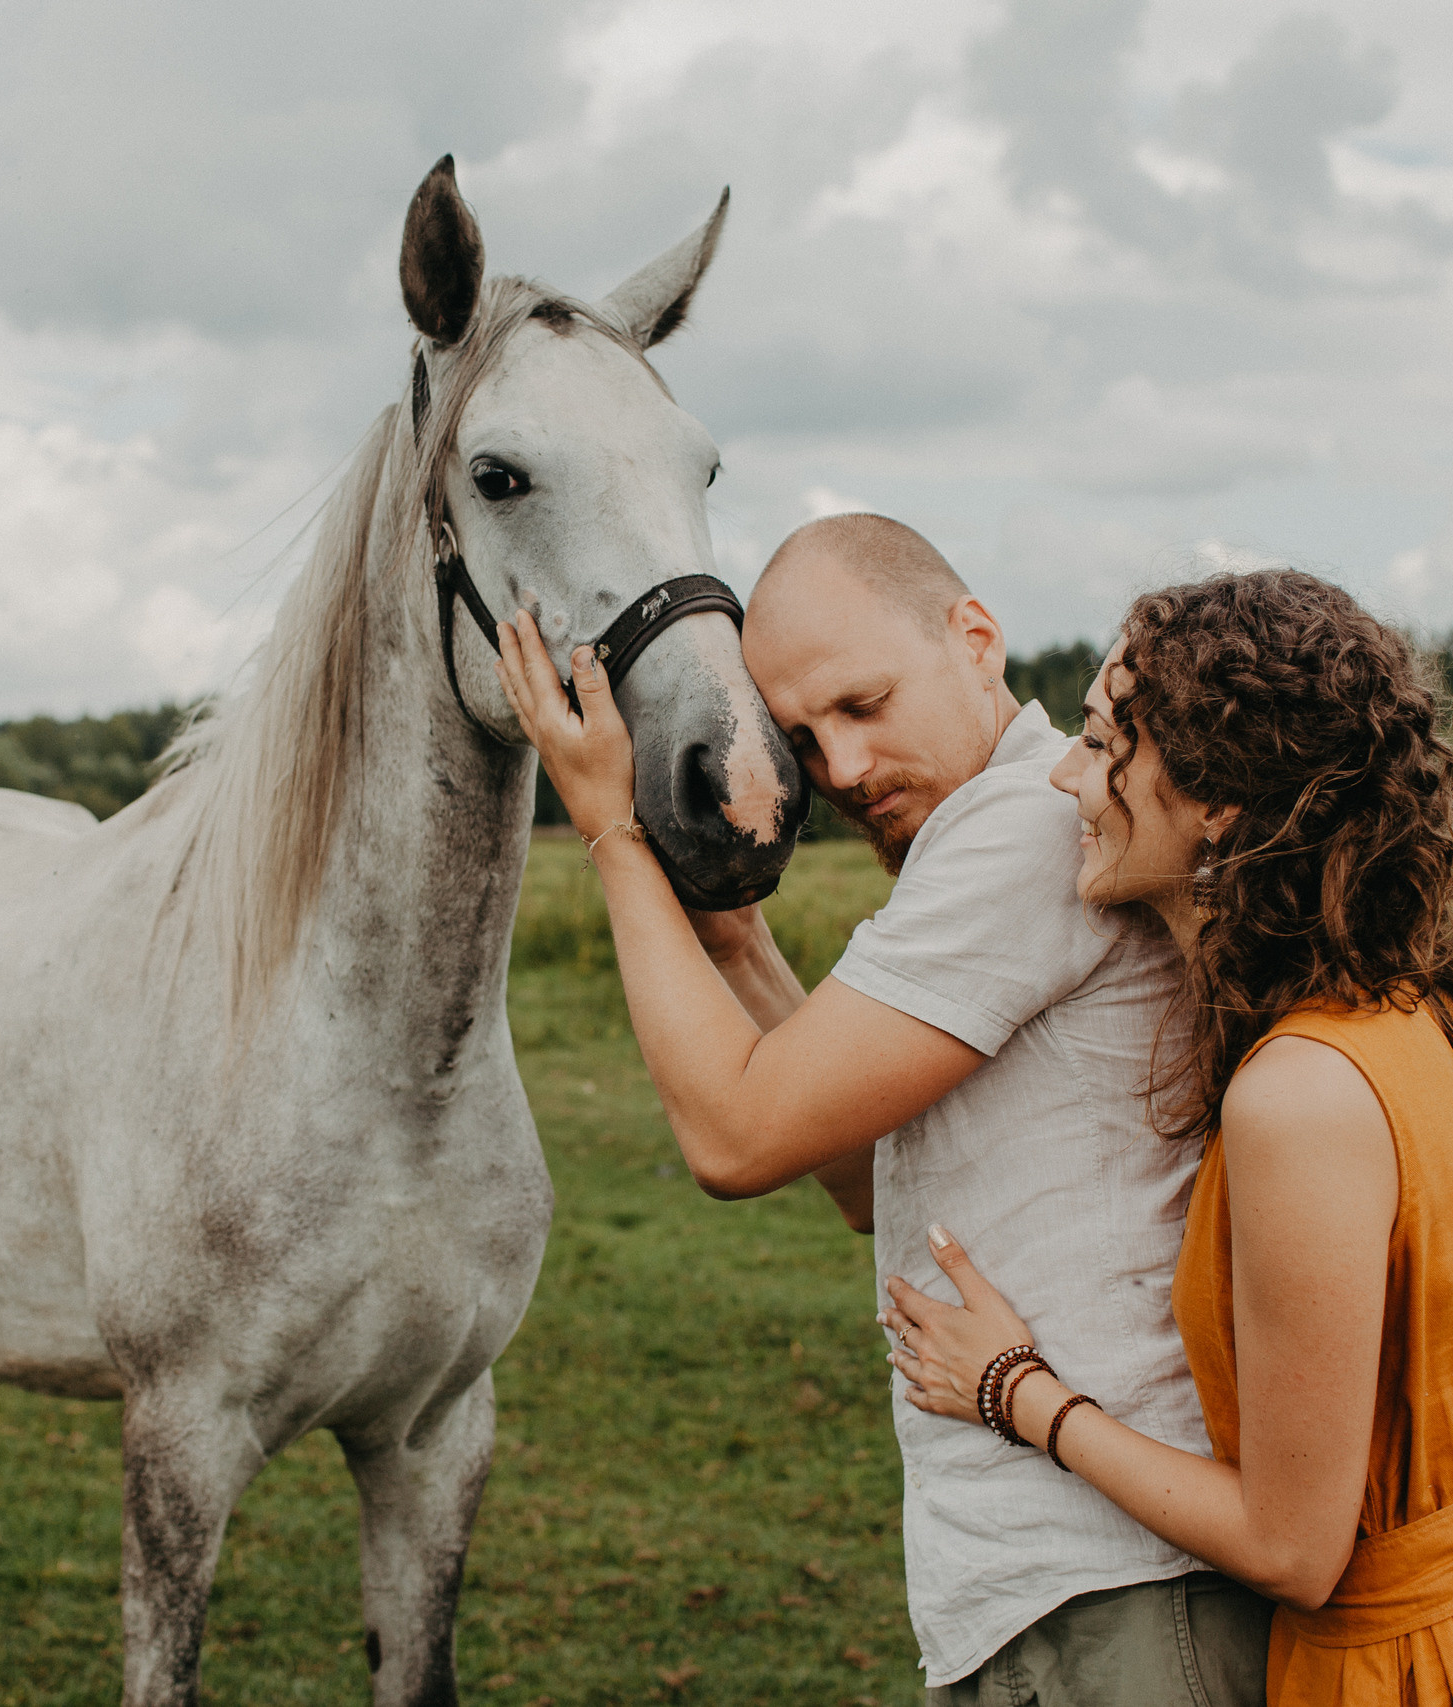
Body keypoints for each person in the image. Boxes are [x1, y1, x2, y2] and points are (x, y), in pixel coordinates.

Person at [877, 569, 1453, 1705]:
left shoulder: (1297, 1096)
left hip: (1439, 1668)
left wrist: (1013, 1389)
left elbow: (1293, 1550)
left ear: (1213, 797)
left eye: (1092, 743)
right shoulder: (1411, 1008)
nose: (1065, 781)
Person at [493, 513, 1271, 1705]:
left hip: (1113, 1593)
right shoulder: (1008, 831)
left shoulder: (1018, 834)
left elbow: (735, 1137)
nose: (841, 772)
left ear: (973, 636)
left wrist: (605, 827)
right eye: (802, 738)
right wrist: (741, 947)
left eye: (865, 705)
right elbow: (867, 1187)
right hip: (1060, 1585)